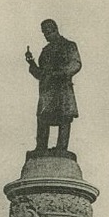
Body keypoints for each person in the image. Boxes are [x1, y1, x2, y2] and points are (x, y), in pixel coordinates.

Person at [25, 19, 82, 153]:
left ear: (55, 29)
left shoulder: (68, 45)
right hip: (47, 90)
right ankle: (41, 148)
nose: (46, 35)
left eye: (48, 32)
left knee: (64, 117)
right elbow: (41, 74)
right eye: (44, 33)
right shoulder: (45, 51)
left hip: (62, 88)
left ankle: (62, 149)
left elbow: (76, 64)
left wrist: (60, 73)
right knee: (43, 118)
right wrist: (32, 64)